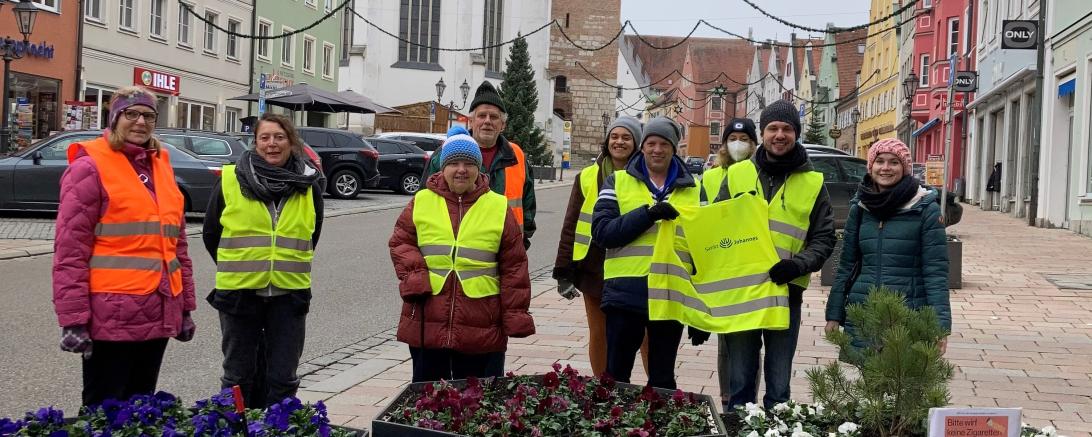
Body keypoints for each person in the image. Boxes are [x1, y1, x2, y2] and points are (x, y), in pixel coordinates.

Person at [53, 85, 196, 407]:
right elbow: (70, 252)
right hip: (111, 315)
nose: (140, 122)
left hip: (159, 306)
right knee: (104, 409)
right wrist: (73, 319)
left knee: (142, 407)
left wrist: (185, 306)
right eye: (131, 114)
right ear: (115, 118)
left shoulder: (161, 165)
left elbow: (178, 246)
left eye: (148, 115)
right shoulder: (89, 168)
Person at [390, 127, 535, 382]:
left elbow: (514, 266)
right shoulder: (422, 200)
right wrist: (415, 275)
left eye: (468, 163)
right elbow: (401, 241)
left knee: (477, 401)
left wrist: (515, 315)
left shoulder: (497, 206)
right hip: (428, 315)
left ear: (478, 168)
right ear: (442, 167)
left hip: (482, 320)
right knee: (427, 399)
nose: (461, 169)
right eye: (454, 163)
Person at [717, 99, 836, 409]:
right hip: (742, 292)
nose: (779, 135)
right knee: (739, 382)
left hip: (786, 291)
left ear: (796, 133)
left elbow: (824, 238)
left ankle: (776, 427)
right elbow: (715, 230)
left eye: (787, 128)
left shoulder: (813, 182)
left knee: (779, 385)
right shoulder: (737, 174)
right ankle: (739, 426)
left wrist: (798, 265)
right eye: (772, 128)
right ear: (764, 133)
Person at [203, 113, 325, 408]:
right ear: (255, 142)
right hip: (240, 294)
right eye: (265, 138)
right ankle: (236, 428)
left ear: (291, 142)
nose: (272, 144)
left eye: (279, 137)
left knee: (283, 377)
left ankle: (275, 428)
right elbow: (211, 234)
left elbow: (312, 235)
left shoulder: (308, 185)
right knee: (237, 376)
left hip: (288, 295)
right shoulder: (231, 179)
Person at [422, 81, 537, 375]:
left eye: (494, 116)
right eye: (482, 115)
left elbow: (528, 205)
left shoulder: (517, 156)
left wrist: (519, 245)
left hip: (498, 271)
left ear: (502, 124)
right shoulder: (444, 155)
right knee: (438, 359)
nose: (487, 121)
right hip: (446, 275)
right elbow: (422, 208)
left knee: (484, 358)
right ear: (470, 120)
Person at [592, 116, 704, 389]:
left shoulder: (696, 189)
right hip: (625, 293)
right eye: (651, 143)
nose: (657, 149)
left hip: (671, 295)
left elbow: (704, 252)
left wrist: (702, 311)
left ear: (674, 149)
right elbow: (603, 233)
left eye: (664, 143)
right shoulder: (617, 182)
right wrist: (648, 215)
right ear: (642, 147)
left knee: (663, 378)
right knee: (616, 376)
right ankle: (615, 427)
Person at [825, 138, 951, 351]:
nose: (885, 168)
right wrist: (834, 314)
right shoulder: (861, 207)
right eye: (880, 161)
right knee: (869, 381)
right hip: (865, 311)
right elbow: (846, 265)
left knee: (903, 381)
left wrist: (939, 326)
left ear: (905, 168)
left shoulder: (924, 208)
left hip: (909, 312)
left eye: (894, 162)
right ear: (871, 166)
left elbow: (936, 272)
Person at [553, 116, 649, 377]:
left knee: (645, 335)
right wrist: (564, 271)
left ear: (636, 143)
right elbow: (571, 222)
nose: (619, 142)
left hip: (635, 265)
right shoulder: (587, 176)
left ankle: (657, 390)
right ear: (607, 141)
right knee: (599, 333)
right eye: (615, 136)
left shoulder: (647, 174)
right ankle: (603, 388)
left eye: (626, 137)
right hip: (594, 267)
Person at [702, 117, 758, 201]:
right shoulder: (708, 176)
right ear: (725, 144)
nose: (737, 144)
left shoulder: (759, 175)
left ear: (752, 144)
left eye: (744, 139)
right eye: (732, 139)